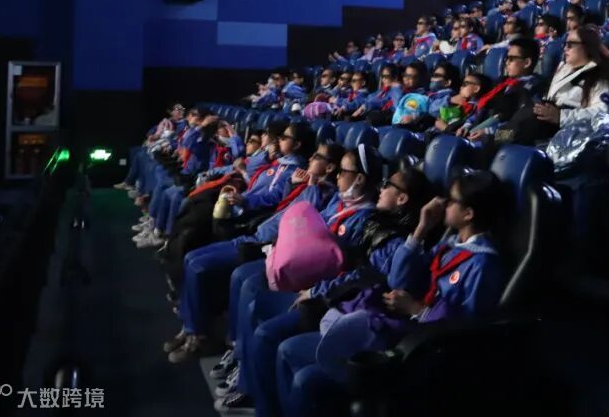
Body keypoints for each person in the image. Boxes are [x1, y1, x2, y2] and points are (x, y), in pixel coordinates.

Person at [274, 170, 506, 417]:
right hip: (398, 329)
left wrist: (417, 309)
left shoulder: (483, 265)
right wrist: (421, 229)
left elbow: (467, 332)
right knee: (287, 351)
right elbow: (398, 279)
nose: (445, 204)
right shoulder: (449, 246)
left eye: (452, 200)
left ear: (468, 214)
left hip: (419, 351)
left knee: (306, 380)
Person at [213, 145, 386, 411]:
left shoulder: (366, 219)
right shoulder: (337, 201)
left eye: (343, 171)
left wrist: (316, 290)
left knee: (265, 332)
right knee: (247, 289)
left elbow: (350, 270)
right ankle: (243, 364)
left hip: (320, 290)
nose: (337, 176)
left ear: (360, 179)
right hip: (301, 273)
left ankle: (256, 395)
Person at [164, 121, 316, 362]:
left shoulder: (294, 173)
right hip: (249, 222)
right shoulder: (278, 164)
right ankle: (189, 325)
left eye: (284, 137)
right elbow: (252, 169)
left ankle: (198, 336)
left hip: (255, 230)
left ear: (297, 145)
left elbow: (275, 200)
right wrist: (261, 158)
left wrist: (246, 200)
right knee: (190, 257)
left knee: (197, 263)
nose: (278, 141)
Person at [458, 37, 546, 145]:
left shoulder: (534, 89)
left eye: (511, 59)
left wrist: (489, 133)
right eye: (506, 58)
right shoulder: (501, 82)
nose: (507, 62)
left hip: (499, 142)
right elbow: (482, 108)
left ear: (527, 62)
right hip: (475, 133)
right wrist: (467, 125)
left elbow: (519, 129)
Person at [535, 25, 609, 131]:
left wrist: (561, 116)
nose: (565, 49)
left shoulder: (599, 78)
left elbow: (602, 113)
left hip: (569, 131)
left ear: (586, 47)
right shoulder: (563, 68)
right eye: (565, 44)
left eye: (570, 45)